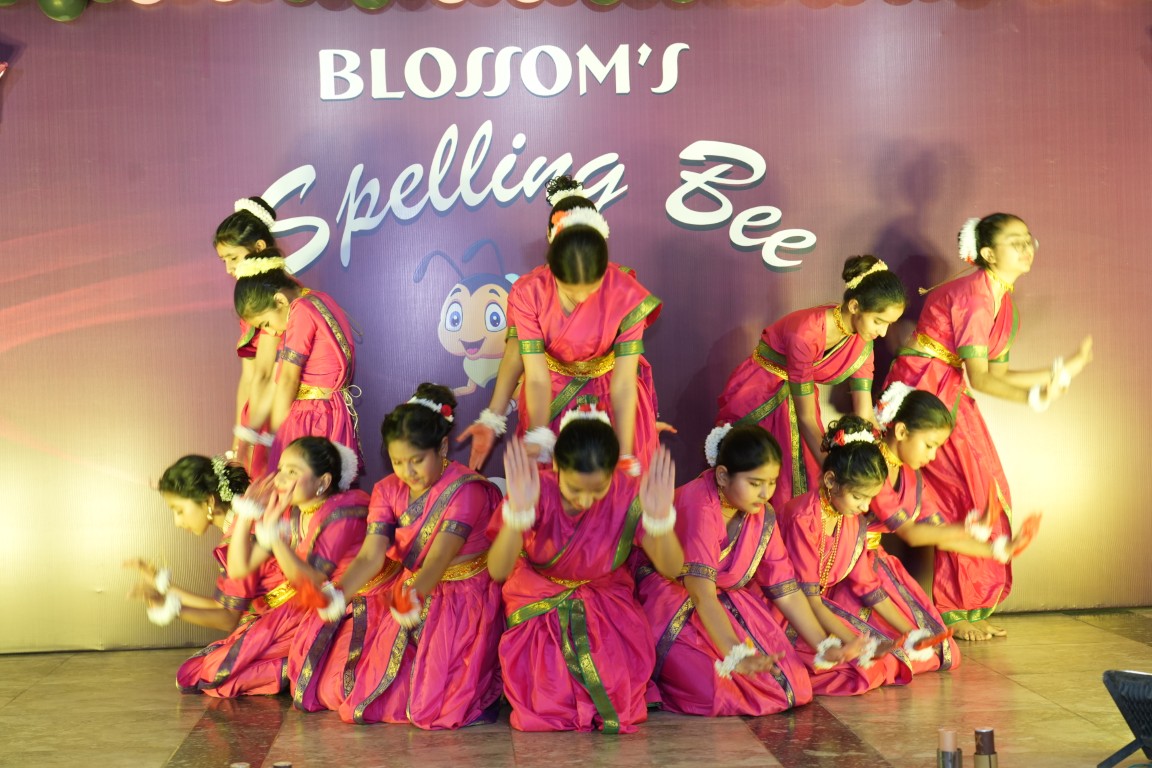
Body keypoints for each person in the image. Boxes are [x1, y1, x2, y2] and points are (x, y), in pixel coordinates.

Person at [884, 213, 1091, 641]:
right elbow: (981, 379)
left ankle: (965, 607)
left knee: (984, 492)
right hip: (924, 389)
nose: (1026, 247)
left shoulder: (1005, 303)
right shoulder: (974, 296)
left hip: (949, 386)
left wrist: (1057, 373)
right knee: (967, 495)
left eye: (1029, 239)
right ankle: (952, 609)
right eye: (1015, 241)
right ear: (987, 253)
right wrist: (1038, 395)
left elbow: (999, 374)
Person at [290, 384, 505, 728]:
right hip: (412, 592)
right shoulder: (386, 490)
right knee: (362, 696)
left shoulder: (466, 489)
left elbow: (439, 557)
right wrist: (338, 594)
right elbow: (371, 556)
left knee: (432, 706)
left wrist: (413, 596)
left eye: (417, 460)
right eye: (397, 462)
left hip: (464, 599)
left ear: (443, 448)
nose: (408, 471)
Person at [488, 409, 684, 733]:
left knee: (618, 696)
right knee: (548, 704)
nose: (585, 500)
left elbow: (673, 568)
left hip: (607, 601)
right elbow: (498, 569)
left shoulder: (630, 494)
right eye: (574, 489)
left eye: (598, 489)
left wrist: (660, 520)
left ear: (614, 472)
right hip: (539, 598)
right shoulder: (534, 490)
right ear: (556, 467)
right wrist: (517, 515)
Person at [458, 176, 662, 475]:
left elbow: (623, 382)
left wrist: (625, 453)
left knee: (618, 488)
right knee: (553, 489)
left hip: (615, 402)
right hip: (550, 399)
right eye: (569, 291)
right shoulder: (530, 292)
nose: (581, 299)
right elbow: (535, 376)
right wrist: (534, 434)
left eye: (591, 289)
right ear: (553, 266)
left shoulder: (626, 292)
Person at [635, 424, 825, 716]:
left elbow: (786, 591)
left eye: (772, 482)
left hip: (720, 600)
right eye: (755, 483)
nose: (765, 493)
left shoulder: (762, 513)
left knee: (795, 686)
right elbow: (701, 595)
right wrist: (736, 655)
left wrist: (824, 645)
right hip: (672, 598)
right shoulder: (699, 504)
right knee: (717, 690)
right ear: (723, 475)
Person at [177, 437, 366, 698]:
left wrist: (274, 535)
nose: (281, 479)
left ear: (323, 482)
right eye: (280, 470)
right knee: (211, 669)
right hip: (302, 606)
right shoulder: (290, 510)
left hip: (346, 604)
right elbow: (239, 569)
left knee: (325, 687)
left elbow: (309, 581)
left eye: (293, 472)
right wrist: (247, 513)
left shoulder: (342, 512)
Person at [716, 255, 906, 511]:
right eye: (878, 321)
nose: (883, 333)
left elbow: (864, 413)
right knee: (759, 474)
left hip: (801, 401)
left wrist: (880, 459)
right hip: (761, 392)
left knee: (804, 477)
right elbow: (805, 417)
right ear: (854, 306)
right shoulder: (806, 333)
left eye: (889, 324)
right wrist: (836, 473)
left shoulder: (863, 343)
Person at [777, 416, 932, 696]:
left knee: (901, 658)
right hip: (790, 610)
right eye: (859, 497)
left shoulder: (851, 519)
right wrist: (857, 644)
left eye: (870, 499)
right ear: (830, 481)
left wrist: (912, 632)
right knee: (864, 670)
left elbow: (868, 586)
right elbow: (808, 599)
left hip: (821, 605)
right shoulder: (803, 518)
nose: (865, 507)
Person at [233, 250, 363, 475]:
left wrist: (274, 436)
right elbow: (277, 381)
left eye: (266, 323)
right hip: (331, 411)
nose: (272, 331)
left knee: (298, 485)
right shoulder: (319, 299)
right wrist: (251, 431)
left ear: (280, 300)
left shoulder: (300, 311)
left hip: (311, 417)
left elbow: (287, 380)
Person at [125, 454, 253, 635]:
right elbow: (220, 605)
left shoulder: (240, 538)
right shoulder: (238, 527)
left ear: (208, 501)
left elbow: (229, 619)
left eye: (179, 511)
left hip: (282, 626)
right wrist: (162, 585)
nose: (177, 522)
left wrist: (169, 608)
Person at [216, 197, 281, 476]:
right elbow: (249, 376)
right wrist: (239, 438)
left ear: (259, 248)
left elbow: (267, 375)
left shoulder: (279, 299)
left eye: (233, 258)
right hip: (256, 415)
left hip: (280, 411)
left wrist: (250, 436)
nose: (229, 269)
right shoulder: (249, 303)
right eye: (224, 261)